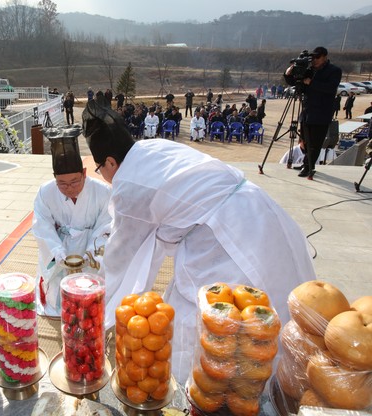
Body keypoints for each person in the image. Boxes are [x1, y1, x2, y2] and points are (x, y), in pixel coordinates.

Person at [81, 100, 315, 384]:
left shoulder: (129, 182)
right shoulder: (148, 148)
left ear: (110, 162)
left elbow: (123, 254)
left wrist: (95, 305)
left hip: (228, 235)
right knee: (274, 298)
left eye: (100, 169)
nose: (103, 177)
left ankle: (200, 392)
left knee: (212, 320)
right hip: (259, 210)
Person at [33, 125, 112, 317]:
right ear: (54, 178)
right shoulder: (46, 191)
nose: (69, 188)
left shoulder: (103, 191)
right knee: (57, 297)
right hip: (60, 246)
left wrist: (91, 252)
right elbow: (42, 226)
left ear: (84, 173)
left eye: (75, 181)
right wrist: (57, 253)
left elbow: (106, 225)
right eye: (62, 183)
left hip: (91, 245)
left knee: (93, 298)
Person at [284, 46, 342, 180]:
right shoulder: (310, 70)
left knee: (315, 142)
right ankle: (306, 163)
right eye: (313, 57)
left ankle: (309, 167)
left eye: (317, 57)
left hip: (322, 112)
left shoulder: (334, 71)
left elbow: (330, 88)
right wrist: (289, 74)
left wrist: (312, 82)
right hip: (307, 111)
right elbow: (297, 83)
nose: (314, 60)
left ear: (324, 57)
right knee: (305, 139)